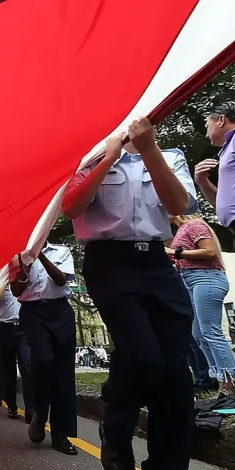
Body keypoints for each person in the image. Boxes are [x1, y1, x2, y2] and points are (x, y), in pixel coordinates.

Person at [63, 118, 198, 470]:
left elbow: (179, 204)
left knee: (176, 377)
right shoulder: (88, 159)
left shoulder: (170, 155)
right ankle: (116, 430)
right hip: (109, 264)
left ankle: (167, 463)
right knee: (143, 357)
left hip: (156, 261)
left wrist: (150, 150)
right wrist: (107, 159)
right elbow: (71, 206)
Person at [10, 244, 78, 455]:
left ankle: (61, 434)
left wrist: (40, 256)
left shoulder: (61, 252)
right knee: (43, 361)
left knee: (64, 372)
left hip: (60, 311)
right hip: (32, 313)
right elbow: (15, 291)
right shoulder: (17, 256)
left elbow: (61, 280)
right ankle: (40, 412)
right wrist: (23, 275)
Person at [170, 214, 235, 396]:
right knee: (198, 335)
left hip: (206, 278)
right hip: (191, 281)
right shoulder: (180, 231)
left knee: (210, 332)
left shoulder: (194, 225)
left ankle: (230, 379)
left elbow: (210, 251)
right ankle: (220, 378)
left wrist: (174, 252)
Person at [194, 102, 235, 248]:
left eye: (207, 126)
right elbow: (221, 204)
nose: (206, 133)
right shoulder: (227, 150)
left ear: (221, 120)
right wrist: (202, 181)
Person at [0, 283, 34, 423]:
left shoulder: (24, 278)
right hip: (5, 329)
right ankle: (12, 405)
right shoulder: (0, 282)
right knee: (8, 370)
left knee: (27, 366)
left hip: (24, 328)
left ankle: (31, 409)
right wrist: (4, 281)